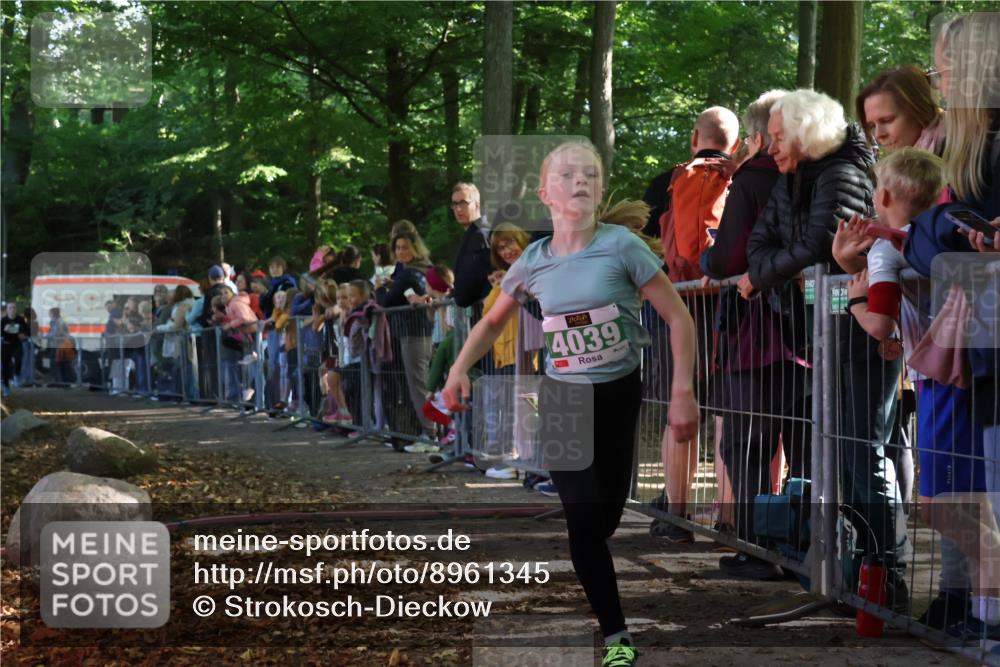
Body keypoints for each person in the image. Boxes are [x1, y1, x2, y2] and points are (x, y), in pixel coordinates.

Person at [443, 140, 699, 667]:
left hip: (619, 392)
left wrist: (683, 392)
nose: (580, 181)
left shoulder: (624, 246)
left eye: (590, 175)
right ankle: (617, 639)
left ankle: (597, 560)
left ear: (601, 190)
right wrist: (458, 369)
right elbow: (492, 321)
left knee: (604, 515)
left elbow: (679, 318)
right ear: (545, 194)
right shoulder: (532, 260)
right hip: (561, 395)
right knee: (583, 520)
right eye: (567, 175)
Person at [744, 88, 910, 611]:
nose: (769, 147)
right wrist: (767, 269)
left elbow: (817, 248)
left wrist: (765, 272)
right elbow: (759, 246)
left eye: (777, 137)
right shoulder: (795, 177)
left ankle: (887, 576)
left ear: (805, 132)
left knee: (863, 453)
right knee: (842, 452)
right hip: (828, 331)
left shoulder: (840, 175)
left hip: (860, 333)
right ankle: (858, 573)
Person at [699, 89, 794, 578]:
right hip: (803, 334)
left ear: (757, 136)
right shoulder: (805, 175)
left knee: (746, 442)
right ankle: (802, 548)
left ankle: (760, 549)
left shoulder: (753, 177)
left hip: (756, 332)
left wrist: (707, 260)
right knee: (799, 441)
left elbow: (729, 259)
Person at [649, 105, 740, 543]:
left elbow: (645, 240)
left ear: (693, 138)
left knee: (680, 407)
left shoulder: (668, 180)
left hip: (679, 306)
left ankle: (675, 515)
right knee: (727, 410)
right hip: (732, 304)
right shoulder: (743, 177)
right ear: (735, 143)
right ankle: (728, 519)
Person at [376, 227, 437, 438]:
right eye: (398, 248)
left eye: (405, 248)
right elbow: (405, 292)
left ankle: (431, 433)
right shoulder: (422, 271)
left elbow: (386, 301)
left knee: (418, 384)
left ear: (415, 249)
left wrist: (380, 289)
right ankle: (432, 430)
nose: (401, 252)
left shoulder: (409, 272)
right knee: (423, 382)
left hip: (413, 333)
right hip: (423, 332)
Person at [856, 65, 944, 155]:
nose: (878, 135)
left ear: (919, 111)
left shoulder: (955, 155)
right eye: (872, 126)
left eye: (887, 120)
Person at [450, 182, 493, 308]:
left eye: (463, 203)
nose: (458, 209)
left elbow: (473, 279)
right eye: (455, 204)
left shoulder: (481, 235)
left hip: (486, 311)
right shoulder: (473, 235)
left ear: (477, 205)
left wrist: (460, 295)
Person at [2, 302, 28, 395]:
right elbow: (1, 334)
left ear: (16, 310)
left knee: (19, 359)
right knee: (5, 366)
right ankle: (6, 388)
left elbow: (26, 331)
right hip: (6, 344)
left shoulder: (20, 319)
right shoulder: (3, 320)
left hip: (17, 344)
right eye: (10, 308)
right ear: (7, 310)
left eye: (14, 308)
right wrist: (5, 330)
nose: (12, 309)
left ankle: (16, 375)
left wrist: (23, 336)